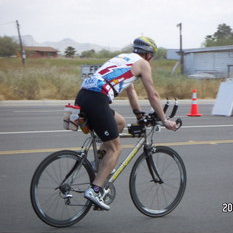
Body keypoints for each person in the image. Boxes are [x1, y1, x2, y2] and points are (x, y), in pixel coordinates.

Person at [75, 36, 178, 210]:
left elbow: (131, 91)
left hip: (83, 96)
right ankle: (95, 190)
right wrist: (164, 119)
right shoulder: (143, 64)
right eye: (151, 55)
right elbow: (153, 95)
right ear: (148, 55)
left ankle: (98, 164)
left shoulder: (124, 58)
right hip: (97, 99)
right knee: (115, 148)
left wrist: (138, 114)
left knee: (120, 123)